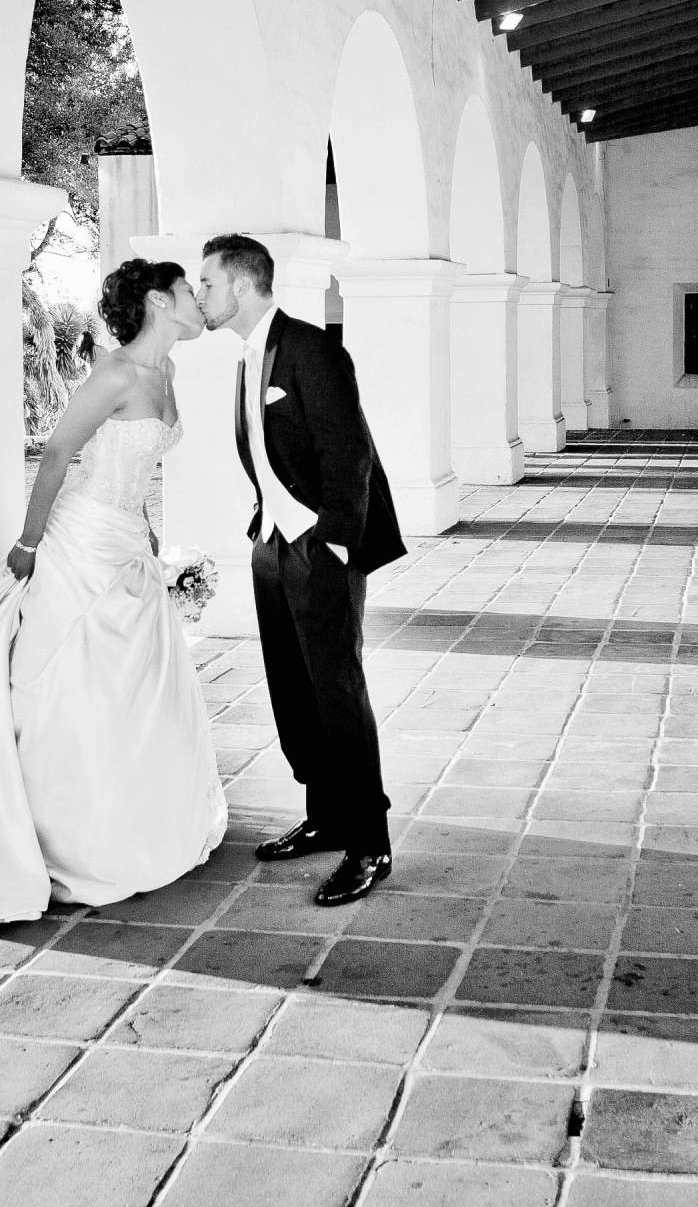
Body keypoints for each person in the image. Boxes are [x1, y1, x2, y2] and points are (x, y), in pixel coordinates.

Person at [0, 259, 225, 924]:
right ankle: (73, 840)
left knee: (139, 687)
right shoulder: (114, 374)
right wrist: (27, 543)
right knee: (77, 687)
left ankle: (143, 823)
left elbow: (135, 470)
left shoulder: (167, 372)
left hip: (129, 542)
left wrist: (150, 533)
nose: (200, 300)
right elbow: (57, 456)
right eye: (192, 291)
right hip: (81, 540)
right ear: (160, 301)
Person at [196, 233, 405, 906]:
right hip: (271, 545)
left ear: (243, 284)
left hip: (319, 547)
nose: (199, 294)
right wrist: (268, 528)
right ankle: (325, 815)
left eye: (207, 283)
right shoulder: (245, 359)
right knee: (293, 686)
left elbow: (351, 452)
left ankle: (369, 842)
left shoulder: (311, 349)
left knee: (337, 688)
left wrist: (336, 543)